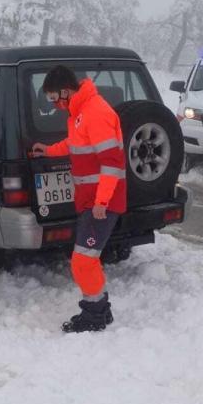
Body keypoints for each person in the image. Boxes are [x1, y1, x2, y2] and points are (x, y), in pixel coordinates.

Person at [31, 65, 127, 333]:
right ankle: (101, 310)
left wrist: (102, 202)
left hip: (100, 203)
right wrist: (48, 151)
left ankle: (94, 315)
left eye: (53, 98)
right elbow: (76, 145)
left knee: (83, 260)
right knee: (87, 258)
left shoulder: (96, 113)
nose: (54, 104)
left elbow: (112, 164)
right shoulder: (80, 114)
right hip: (89, 201)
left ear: (66, 91)